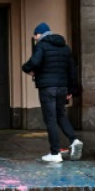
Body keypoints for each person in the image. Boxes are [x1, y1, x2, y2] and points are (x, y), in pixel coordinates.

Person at [22, 22, 82, 162]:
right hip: (62, 88)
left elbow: (35, 62)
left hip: (48, 87)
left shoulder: (41, 45)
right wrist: (71, 89)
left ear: (40, 34)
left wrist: (26, 68)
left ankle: (55, 153)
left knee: (50, 119)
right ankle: (74, 140)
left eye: (35, 35)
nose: (35, 38)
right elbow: (72, 70)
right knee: (61, 115)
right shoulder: (65, 48)